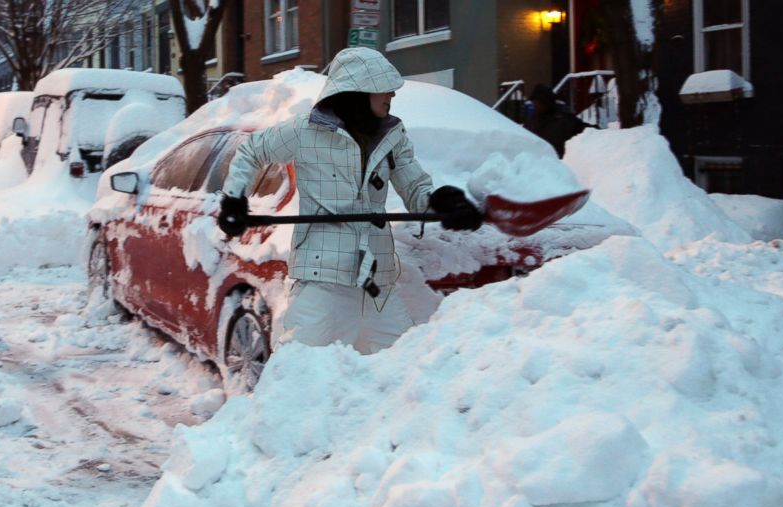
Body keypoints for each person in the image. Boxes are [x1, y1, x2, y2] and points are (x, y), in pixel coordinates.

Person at [217, 47, 481, 355]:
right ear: (358, 90)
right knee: (303, 372)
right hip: (322, 281)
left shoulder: (392, 136)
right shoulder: (307, 131)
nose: (391, 95)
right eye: (384, 89)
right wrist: (234, 198)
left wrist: (441, 205)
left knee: (402, 374)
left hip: (377, 285)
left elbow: (415, 188)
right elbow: (252, 151)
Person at [524, 84, 591, 158]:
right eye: (534, 102)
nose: (536, 105)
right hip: (538, 164)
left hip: (560, 164)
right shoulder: (531, 121)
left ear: (546, 102)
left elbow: (587, 132)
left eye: (539, 102)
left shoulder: (564, 119)